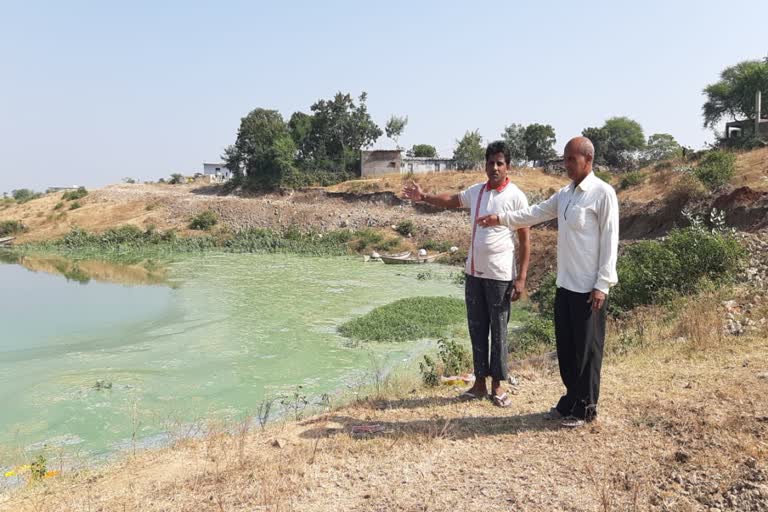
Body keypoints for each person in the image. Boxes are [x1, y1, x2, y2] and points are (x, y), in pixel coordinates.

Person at [476, 136, 618, 426]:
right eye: (565, 159)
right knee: (567, 348)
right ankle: (570, 400)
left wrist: (602, 283)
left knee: (587, 351)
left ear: (588, 161)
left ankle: (586, 407)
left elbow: (610, 240)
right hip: (565, 284)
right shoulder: (566, 194)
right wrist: (500, 219)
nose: (566, 165)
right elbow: (535, 212)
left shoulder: (603, 193)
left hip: (589, 288)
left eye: (572, 159)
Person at [402, 141, 530, 407]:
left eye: (499, 163)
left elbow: (525, 240)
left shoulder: (516, 197)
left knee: (499, 331)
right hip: (473, 274)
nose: (494, 168)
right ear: (484, 165)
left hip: (500, 277)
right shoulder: (478, 192)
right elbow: (451, 200)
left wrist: (521, 279)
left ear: (508, 167)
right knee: (477, 329)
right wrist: (424, 197)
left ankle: (497, 386)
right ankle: (479, 384)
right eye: (490, 163)